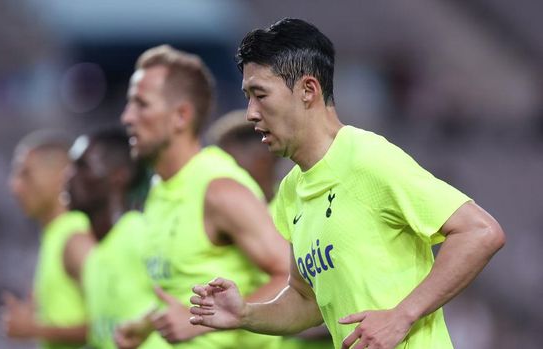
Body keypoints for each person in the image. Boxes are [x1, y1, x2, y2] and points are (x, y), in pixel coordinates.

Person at [189, 18, 506, 349]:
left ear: (308, 90)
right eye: (247, 97)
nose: (251, 113)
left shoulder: (367, 158)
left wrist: (402, 315)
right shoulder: (291, 190)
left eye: (260, 95)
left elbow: (480, 232)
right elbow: (306, 300)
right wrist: (245, 314)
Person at [115, 45, 289, 349]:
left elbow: (291, 278)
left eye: (141, 104)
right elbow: (183, 291)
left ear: (181, 115)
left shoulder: (219, 189)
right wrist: (146, 325)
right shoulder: (159, 189)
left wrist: (211, 316)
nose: (127, 116)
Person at [206, 110, 333, 349]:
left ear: (261, 160)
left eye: (227, 162)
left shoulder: (306, 211)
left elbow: (333, 298)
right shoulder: (230, 222)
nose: (219, 173)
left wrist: (293, 321)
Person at [65, 128, 170, 349]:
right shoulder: (95, 256)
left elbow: (189, 297)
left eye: (82, 166)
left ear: (118, 176)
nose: (66, 177)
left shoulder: (142, 233)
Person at [1, 130, 94, 349]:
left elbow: (111, 321)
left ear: (61, 176)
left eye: (25, 174)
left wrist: (34, 329)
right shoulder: (55, 235)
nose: (14, 186)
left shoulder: (75, 237)